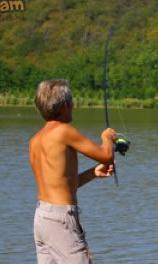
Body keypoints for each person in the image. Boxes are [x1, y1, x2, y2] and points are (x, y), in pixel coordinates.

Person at [29, 79, 118, 263]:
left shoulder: (35, 141)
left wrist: (94, 172)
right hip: (61, 219)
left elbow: (62, 185)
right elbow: (106, 155)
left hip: (42, 218)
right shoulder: (64, 131)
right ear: (65, 107)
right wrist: (107, 137)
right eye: (72, 103)